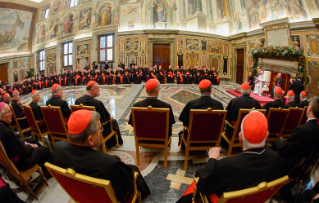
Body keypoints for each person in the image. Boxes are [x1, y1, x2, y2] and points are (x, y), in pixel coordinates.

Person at [177, 111, 289, 203]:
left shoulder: (225, 165)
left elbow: (203, 187)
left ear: (240, 137)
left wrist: (212, 159)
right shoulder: (278, 159)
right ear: (267, 134)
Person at [54, 110, 150, 202]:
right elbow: (126, 185)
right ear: (90, 139)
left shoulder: (58, 148)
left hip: (82, 195)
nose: (101, 132)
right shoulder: (110, 163)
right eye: (100, 129)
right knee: (133, 170)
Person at [0, 102, 53, 178]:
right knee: (44, 150)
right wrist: (31, 147)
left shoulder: (2, 127)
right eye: (8, 112)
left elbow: (15, 144)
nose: (11, 114)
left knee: (32, 140)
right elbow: (22, 153)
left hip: (17, 158)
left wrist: (27, 143)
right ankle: (49, 173)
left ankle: (44, 166)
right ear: (3, 116)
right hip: (23, 162)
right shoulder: (7, 132)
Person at [75, 81, 123, 148]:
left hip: (83, 129)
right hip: (94, 129)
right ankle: (112, 143)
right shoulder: (97, 103)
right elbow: (106, 118)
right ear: (92, 90)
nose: (99, 90)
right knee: (113, 121)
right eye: (98, 88)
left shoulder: (77, 101)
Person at [179, 79, 223, 149]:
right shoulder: (219, 105)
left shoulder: (191, 104)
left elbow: (184, 122)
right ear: (211, 90)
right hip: (212, 138)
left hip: (194, 138)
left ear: (200, 90)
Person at [272, 96, 319, 162]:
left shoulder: (301, 130)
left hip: (292, 165)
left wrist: (276, 141)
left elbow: (283, 150)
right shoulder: (314, 128)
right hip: (308, 165)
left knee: (275, 142)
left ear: (310, 108)